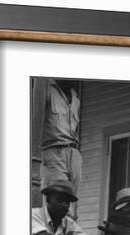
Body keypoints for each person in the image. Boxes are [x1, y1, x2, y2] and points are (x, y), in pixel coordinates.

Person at [32, 78, 82, 217]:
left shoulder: (75, 97)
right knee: (58, 198)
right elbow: (34, 118)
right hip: (54, 150)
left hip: (74, 152)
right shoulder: (46, 89)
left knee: (70, 203)